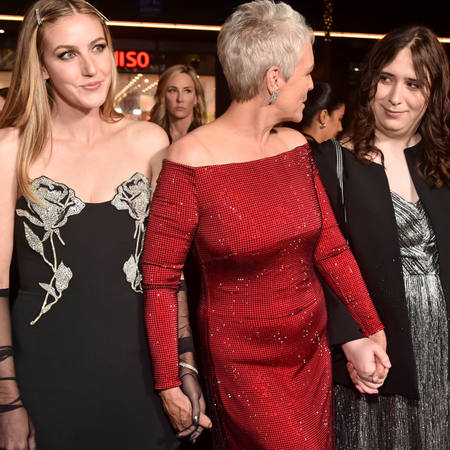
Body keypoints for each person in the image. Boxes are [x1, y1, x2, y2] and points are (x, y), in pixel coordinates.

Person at [141, 1, 390, 449]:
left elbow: (330, 248)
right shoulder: (189, 162)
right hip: (243, 366)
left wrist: (371, 328)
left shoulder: (296, 147)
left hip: (311, 352)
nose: (312, 85)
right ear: (274, 79)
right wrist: (168, 382)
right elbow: (160, 281)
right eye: (307, 72)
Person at [0, 1, 184, 448]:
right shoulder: (12, 149)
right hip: (45, 380)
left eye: (98, 47)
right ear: (40, 66)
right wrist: (7, 401)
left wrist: (184, 366)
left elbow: (170, 275)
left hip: (144, 379)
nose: (90, 68)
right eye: (67, 54)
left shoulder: (150, 142)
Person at [313, 25, 450, 449]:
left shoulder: (442, 164)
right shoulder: (333, 162)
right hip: (373, 353)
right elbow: (315, 264)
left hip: (440, 347)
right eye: (386, 78)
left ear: (433, 94)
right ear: (369, 80)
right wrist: (349, 337)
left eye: (413, 84)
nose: (395, 97)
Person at [150, 64, 206, 144]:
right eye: (173, 90)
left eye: (187, 91)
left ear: (196, 98)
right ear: (163, 96)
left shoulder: (206, 138)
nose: (180, 99)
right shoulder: (150, 135)